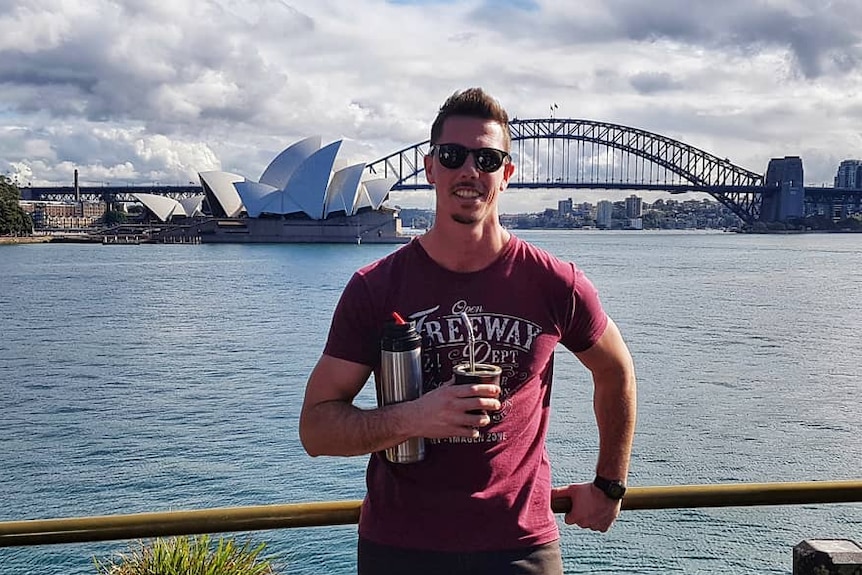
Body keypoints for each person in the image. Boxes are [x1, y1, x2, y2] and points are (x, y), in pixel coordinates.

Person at [299, 87, 637, 575]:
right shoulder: (374, 288)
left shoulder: (555, 283)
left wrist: (609, 486)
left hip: (521, 548)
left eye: (488, 158)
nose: (469, 171)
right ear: (429, 167)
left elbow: (616, 370)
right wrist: (415, 417)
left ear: (507, 175)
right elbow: (316, 429)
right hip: (399, 550)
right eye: (453, 155)